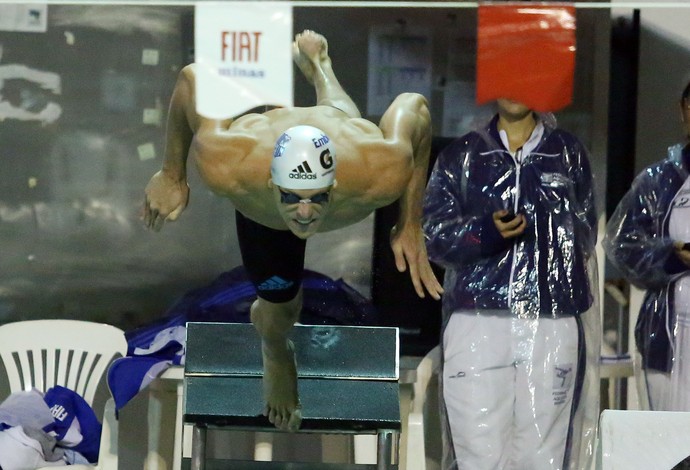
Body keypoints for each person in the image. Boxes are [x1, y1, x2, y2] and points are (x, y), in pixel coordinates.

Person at [143, 30, 443, 432]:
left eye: (317, 197)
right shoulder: (229, 161)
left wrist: (409, 221)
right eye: (292, 197)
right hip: (263, 185)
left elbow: (415, 108)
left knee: (341, 119)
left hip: (340, 140)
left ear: (334, 185)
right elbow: (193, 77)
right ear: (272, 185)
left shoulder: (378, 168)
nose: (304, 214)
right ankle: (275, 348)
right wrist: (172, 172)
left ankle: (321, 69)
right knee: (279, 306)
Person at [422, 98, 599, 469]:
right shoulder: (462, 155)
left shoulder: (567, 153)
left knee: (542, 456)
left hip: (551, 321)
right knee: (478, 455)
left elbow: (584, 235)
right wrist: (484, 232)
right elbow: (435, 238)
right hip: (477, 321)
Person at [603, 79, 690, 412]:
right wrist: (671, 257)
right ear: (683, 110)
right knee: (668, 448)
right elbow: (622, 245)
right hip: (669, 342)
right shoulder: (660, 179)